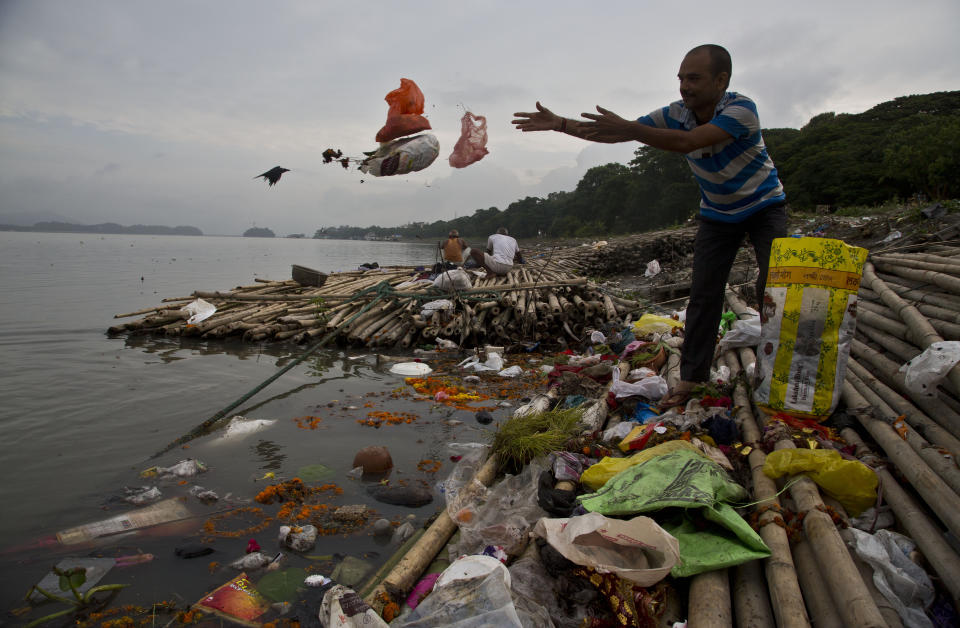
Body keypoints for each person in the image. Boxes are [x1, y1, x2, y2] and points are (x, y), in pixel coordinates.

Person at [512, 44, 786, 408]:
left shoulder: (740, 110)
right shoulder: (677, 113)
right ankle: (691, 379)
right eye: (680, 78)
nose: (684, 87)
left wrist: (630, 128)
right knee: (705, 294)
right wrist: (561, 124)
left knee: (776, 287)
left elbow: (686, 142)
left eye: (694, 78)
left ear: (721, 80)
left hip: (764, 205)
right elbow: (613, 133)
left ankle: (781, 370)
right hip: (718, 214)